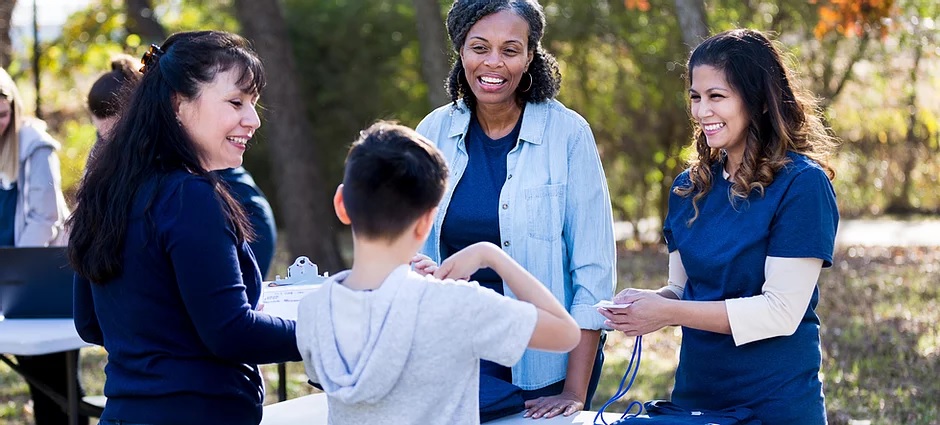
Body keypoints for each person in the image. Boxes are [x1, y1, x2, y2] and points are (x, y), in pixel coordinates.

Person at [599, 29, 839, 425]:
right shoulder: (687, 188)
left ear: (758, 100)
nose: (701, 111)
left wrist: (670, 312)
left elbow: (780, 311)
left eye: (717, 97)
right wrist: (646, 304)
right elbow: (680, 289)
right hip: (696, 399)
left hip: (775, 404)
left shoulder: (802, 185)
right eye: (696, 96)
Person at [68, 31, 301, 425]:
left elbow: (89, 322)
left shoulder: (105, 187)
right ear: (178, 102)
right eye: (236, 102)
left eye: (254, 104)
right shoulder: (190, 196)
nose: (254, 119)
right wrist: (333, 327)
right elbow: (231, 332)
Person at [295, 121, 580, 425]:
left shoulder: (313, 309)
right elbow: (565, 333)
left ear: (341, 205)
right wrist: (492, 255)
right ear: (427, 221)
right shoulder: (458, 306)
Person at [414, 0, 616, 419]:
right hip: (455, 355)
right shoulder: (431, 131)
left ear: (529, 57)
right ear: (461, 52)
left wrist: (575, 392)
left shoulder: (569, 134)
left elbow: (593, 274)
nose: (493, 63)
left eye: (510, 50)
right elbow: (408, 248)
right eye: (479, 47)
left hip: (544, 360)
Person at [87, 54, 278, 278]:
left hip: (246, 226)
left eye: (118, 131)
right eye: (103, 135)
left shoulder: (190, 171)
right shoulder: (106, 175)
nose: (113, 141)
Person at [0, 67, 82, 425]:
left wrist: (17, 273)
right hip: (9, 283)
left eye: (2, 114)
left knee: (59, 386)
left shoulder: (35, 145)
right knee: (38, 384)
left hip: (43, 277)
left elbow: (44, 218)